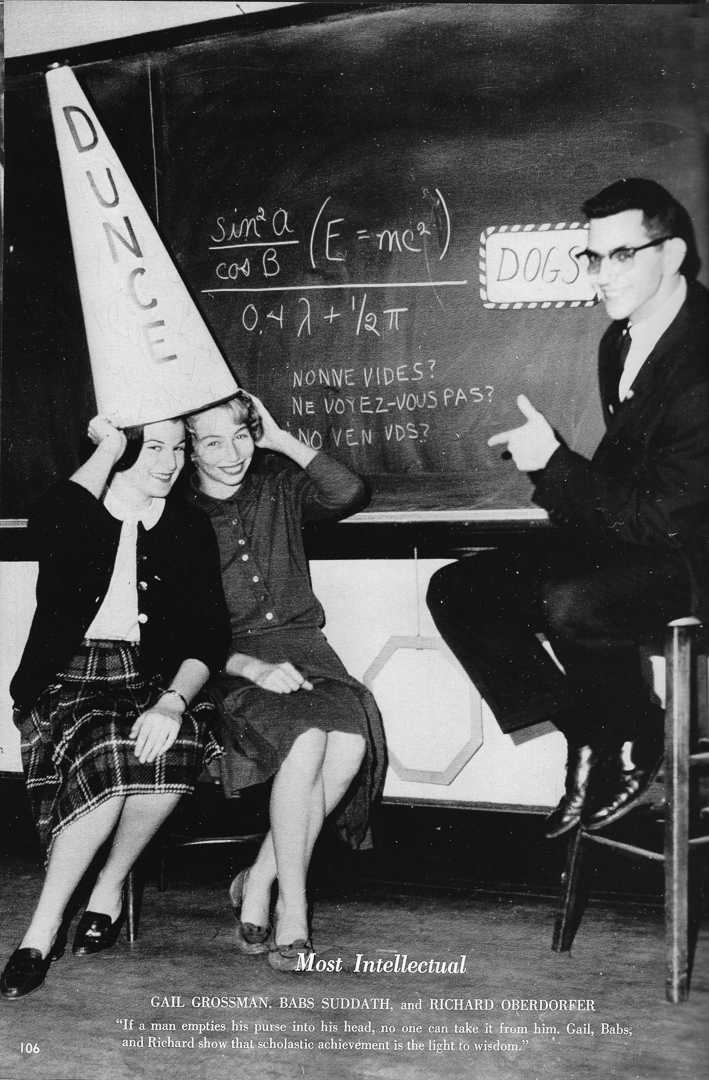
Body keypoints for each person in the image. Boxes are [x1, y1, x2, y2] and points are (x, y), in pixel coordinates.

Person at [427, 178, 709, 839]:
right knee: (459, 589)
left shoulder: (701, 362)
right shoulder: (621, 339)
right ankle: (592, 731)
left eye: (621, 255)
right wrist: (554, 470)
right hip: (639, 545)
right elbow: (626, 484)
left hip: (692, 559)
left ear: (670, 254)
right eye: (593, 257)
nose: (600, 275)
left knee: (573, 601)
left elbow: (663, 519)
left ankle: (635, 740)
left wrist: (553, 464)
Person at [1, 415, 230, 1000]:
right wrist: (109, 449)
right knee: (108, 745)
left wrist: (173, 702)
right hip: (69, 679)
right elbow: (45, 520)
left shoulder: (189, 526)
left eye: (178, 448)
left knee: (174, 742)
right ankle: (41, 930)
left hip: (152, 679)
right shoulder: (80, 513)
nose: (169, 463)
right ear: (120, 449)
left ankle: (109, 885)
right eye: (152, 447)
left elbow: (208, 637)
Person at [186, 391, 386, 971]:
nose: (232, 454)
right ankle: (292, 911)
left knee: (349, 744)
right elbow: (178, 630)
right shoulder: (177, 515)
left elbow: (347, 492)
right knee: (307, 742)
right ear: (189, 450)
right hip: (229, 663)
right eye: (213, 442)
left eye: (241, 436)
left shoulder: (277, 485)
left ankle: (257, 879)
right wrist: (249, 667)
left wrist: (277, 439)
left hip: (308, 652)